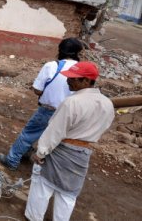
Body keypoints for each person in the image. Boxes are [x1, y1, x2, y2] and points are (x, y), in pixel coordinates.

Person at [25, 61, 114, 221]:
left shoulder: (71, 102)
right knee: (68, 194)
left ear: (86, 81)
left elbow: (55, 131)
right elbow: (103, 127)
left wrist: (40, 152)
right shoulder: (107, 104)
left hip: (61, 150)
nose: (68, 81)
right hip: (82, 154)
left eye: (73, 78)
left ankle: (33, 217)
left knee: (42, 185)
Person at [0, 38, 84, 171]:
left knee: (28, 134)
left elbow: (37, 90)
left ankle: (12, 160)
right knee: (56, 140)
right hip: (69, 114)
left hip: (48, 109)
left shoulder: (52, 66)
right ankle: (44, 166)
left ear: (60, 50)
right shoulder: (82, 70)